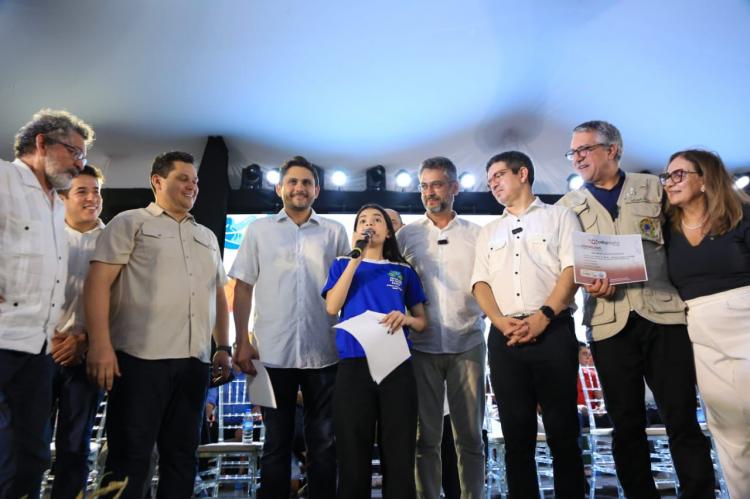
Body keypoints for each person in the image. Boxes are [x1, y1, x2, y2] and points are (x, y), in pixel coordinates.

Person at [557, 121, 715, 498]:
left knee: (681, 417)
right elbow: (565, 267)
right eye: (573, 152)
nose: (577, 158)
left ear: (612, 150)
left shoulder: (655, 188)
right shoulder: (566, 207)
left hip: (664, 318)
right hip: (608, 325)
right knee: (626, 426)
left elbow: (685, 237)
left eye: (584, 149)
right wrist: (586, 283)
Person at [85, 151, 242, 498]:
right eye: (182, 178)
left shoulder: (207, 236)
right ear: (157, 181)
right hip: (139, 361)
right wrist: (100, 344)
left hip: (194, 363)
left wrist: (222, 347)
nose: (192, 186)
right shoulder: (129, 222)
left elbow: (218, 295)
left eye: (195, 181)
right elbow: (97, 283)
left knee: (183, 458)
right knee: (130, 458)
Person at [230, 155, 350, 499]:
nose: (300, 188)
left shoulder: (335, 232)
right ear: (280, 188)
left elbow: (348, 288)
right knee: (276, 444)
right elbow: (243, 287)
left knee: (324, 444)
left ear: (317, 190)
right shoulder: (259, 230)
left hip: (325, 353)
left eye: (307, 182)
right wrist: (242, 342)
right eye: (293, 181)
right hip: (271, 354)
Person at [471, 151, 585, 498]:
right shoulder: (488, 231)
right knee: (516, 437)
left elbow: (573, 269)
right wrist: (499, 322)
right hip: (505, 337)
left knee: (563, 433)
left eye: (498, 175)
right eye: (489, 180)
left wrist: (543, 316)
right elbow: (480, 283)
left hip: (553, 330)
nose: (492, 184)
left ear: (522, 173)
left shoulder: (560, 216)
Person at [0, 109, 94, 498]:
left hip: (39, 351)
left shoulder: (56, 204)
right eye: (74, 152)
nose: (79, 163)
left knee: (31, 457)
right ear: (41, 143)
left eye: (83, 156)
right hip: (2, 341)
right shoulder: (4, 179)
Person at [661, 149, 750, 498]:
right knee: (729, 432)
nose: (670, 183)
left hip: (745, 323)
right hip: (702, 335)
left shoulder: (742, 215)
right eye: (667, 176)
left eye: (679, 174)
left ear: (705, 179)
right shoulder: (666, 231)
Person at [323, 203, 427, 499]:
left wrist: (406, 318)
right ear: (356, 231)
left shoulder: (403, 270)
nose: (370, 224)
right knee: (353, 453)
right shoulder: (342, 264)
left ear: (389, 231)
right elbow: (332, 307)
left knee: (399, 452)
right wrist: (355, 259)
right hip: (354, 365)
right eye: (363, 221)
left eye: (377, 220)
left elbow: (422, 322)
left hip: (396, 366)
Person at [397, 156, 486, 499]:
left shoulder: (478, 235)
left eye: (436, 184)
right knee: (425, 440)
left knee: (471, 438)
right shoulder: (406, 236)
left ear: (454, 187)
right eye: (424, 186)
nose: (429, 192)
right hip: (422, 347)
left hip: (469, 344)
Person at [50, 165, 106, 498]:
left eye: (96, 191)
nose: (91, 198)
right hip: (39, 352)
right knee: (24, 442)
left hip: (86, 357)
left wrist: (84, 341)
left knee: (75, 447)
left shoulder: (113, 241)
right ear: (62, 198)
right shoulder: (45, 235)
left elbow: (122, 303)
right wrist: (48, 337)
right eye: (82, 191)